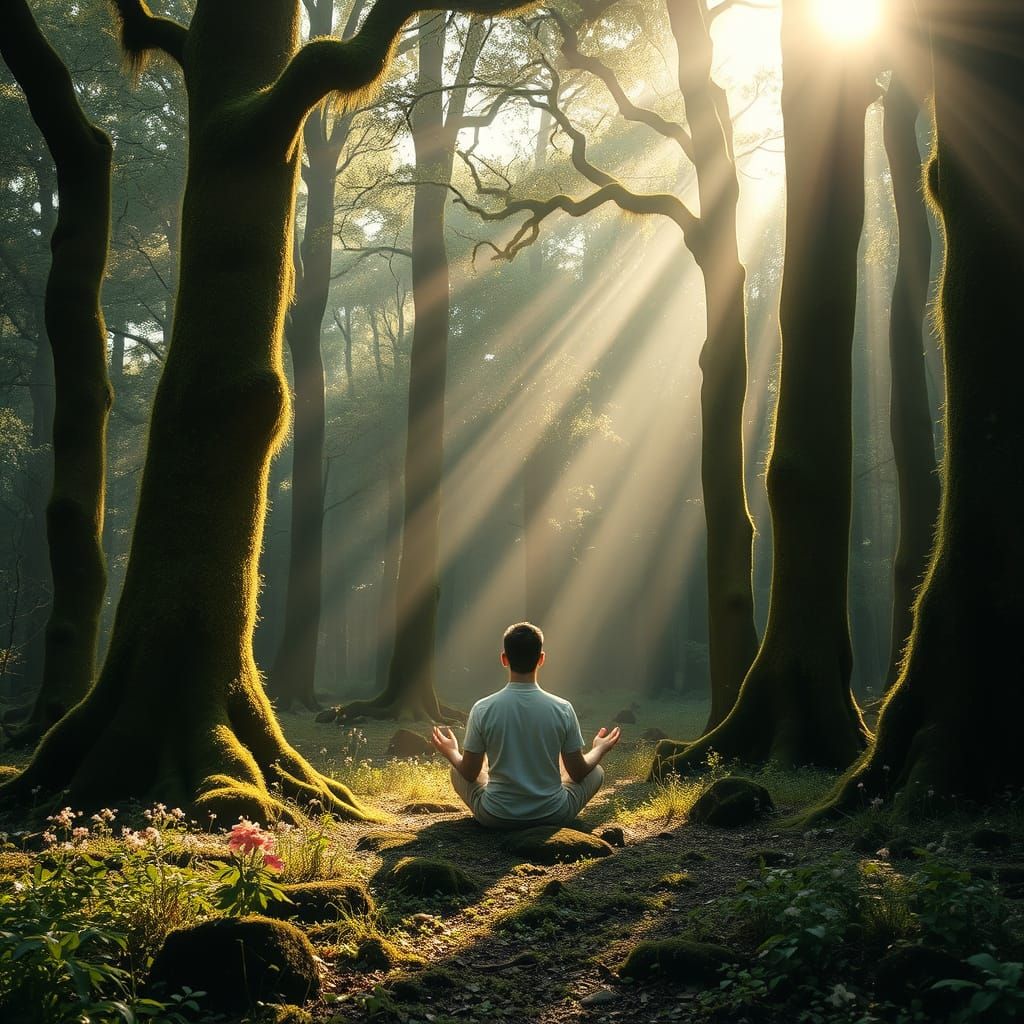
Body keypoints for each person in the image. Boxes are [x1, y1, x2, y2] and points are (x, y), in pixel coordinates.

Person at [431, 622, 620, 829]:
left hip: (495, 816)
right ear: (541, 659)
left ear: (504, 659)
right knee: (596, 771)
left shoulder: (482, 708)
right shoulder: (562, 708)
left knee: (456, 770)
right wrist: (600, 749)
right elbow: (578, 772)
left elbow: (468, 772)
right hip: (553, 814)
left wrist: (450, 751)